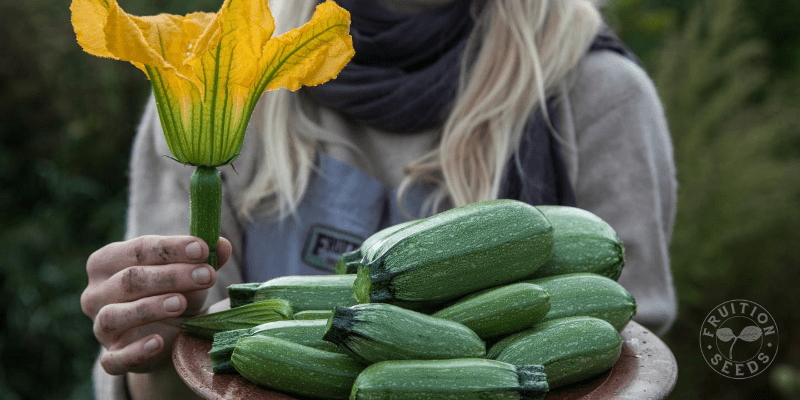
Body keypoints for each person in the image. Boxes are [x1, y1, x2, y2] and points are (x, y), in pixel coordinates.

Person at [81, 0, 678, 398]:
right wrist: (154, 349)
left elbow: (620, 354)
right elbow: (196, 371)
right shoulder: (226, 77)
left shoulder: (600, 97)